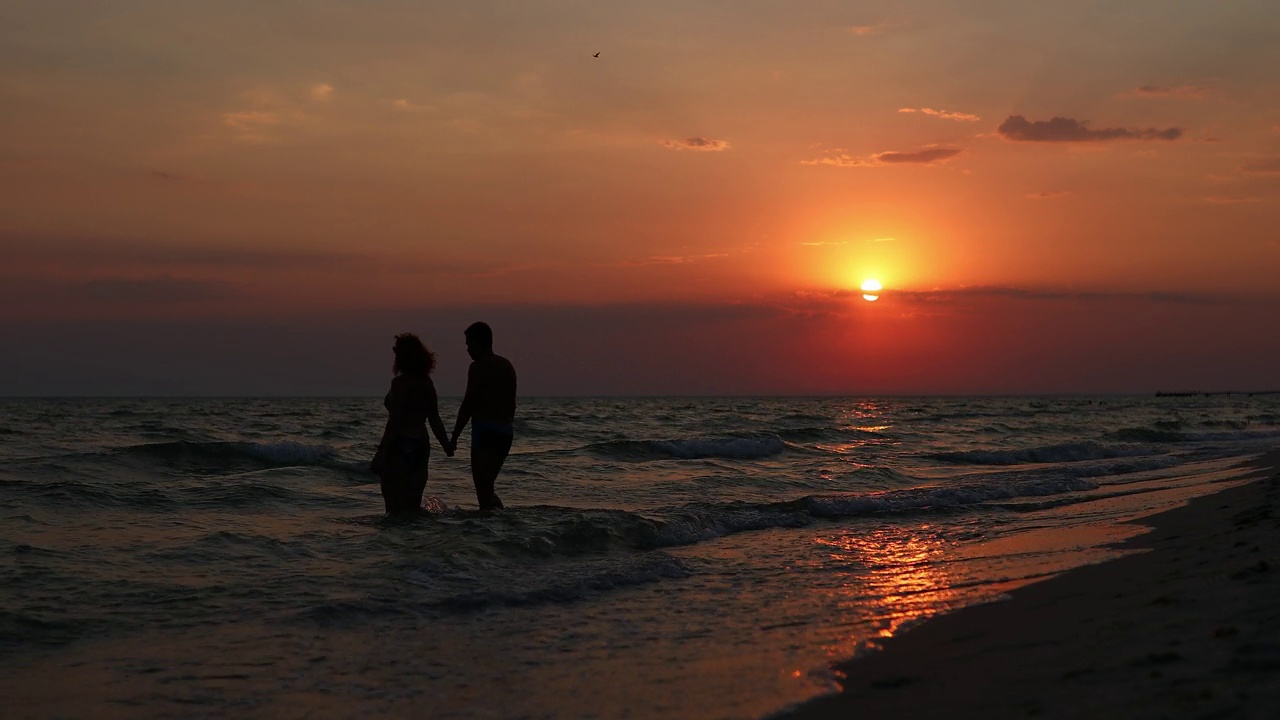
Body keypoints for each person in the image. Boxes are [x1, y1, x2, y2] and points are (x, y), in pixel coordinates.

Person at [372, 333, 453, 515]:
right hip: (421, 446)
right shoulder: (426, 383)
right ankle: (415, 541)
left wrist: (381, 454)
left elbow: (395, 423)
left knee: (394, 508)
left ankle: (396, 542)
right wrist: (446, 445)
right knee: (412, 506)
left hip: (400, 444)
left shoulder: (400, 384)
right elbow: (434, 418)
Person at [449, 322, 517, 511]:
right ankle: (496, 524)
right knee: (487, 487)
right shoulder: (506, 365)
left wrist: (454, 437)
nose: (468, 349)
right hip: (505, 432)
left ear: (480, 342)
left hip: (485, 431)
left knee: (483, 490)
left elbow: (468, 403)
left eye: (469, 344)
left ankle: (492, 528)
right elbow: (511, 404)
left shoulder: (478, 367)